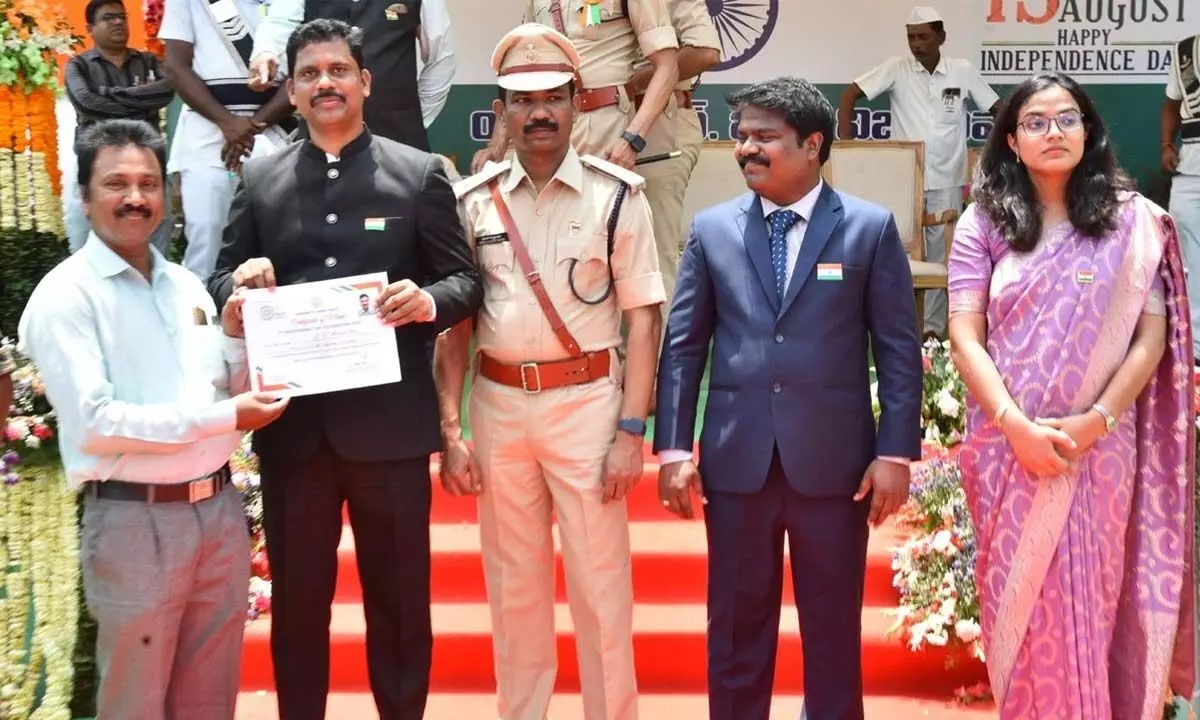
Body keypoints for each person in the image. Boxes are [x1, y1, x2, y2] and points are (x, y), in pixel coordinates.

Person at [208, 19, 482, 720]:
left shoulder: (416, 172)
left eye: (337, 70)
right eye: (309, 74)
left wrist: (425, 300)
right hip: (294, 432)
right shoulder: (261, 176)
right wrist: (238, 291)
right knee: (299, 608)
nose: (324, 83)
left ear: (366, 81)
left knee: (399, 604)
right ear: (291, 91)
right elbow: (219, 277)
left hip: (389, 430)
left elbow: (465, 281)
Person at [653, 76, 923, 720]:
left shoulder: (868, 229)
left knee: (832, 635)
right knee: (737, 633)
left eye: (764, 137)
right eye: (741, 136)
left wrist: (896, 453)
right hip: (737, 463)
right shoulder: (712, 230)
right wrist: (671, 446)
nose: (747, 148)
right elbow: (684, 346)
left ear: (812, 144)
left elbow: (897, 349)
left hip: (835, 470)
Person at [17, 118, 289, 719]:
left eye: (148, 183)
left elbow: (225, 389)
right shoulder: (67, 297)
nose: (136, 198)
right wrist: (223, 413)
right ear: (84, 197)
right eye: (116, 183)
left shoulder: (188, 287)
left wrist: (241, 343)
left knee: (209, 695)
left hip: (216, 516)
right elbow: (96, 422)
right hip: (134, 521)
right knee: (135, 700)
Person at [947, 72, 1196, 718]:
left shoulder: (1134, 223)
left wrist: (1098, 419)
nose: (1052, 132)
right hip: (1010, 453)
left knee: (1093, 598)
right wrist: (1015, 426)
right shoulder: (984, 223)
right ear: (1010, 139)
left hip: (1098, 452)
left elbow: (1151, 337)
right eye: (1035, 121)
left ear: (1089, 130)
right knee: (1022, 613)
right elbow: (963, 333)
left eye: (1066, 119)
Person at [436, 23, 664, 720]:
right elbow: (456, 324)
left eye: (553, 98)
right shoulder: (474, 201)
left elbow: (644, 319)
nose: (538, 113)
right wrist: (452, 426)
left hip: (587, 407)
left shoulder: (617, 194)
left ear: (576, 103)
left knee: (601, 589)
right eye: (521, 100)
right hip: (500, 409)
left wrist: (632, 428)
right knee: (515, 590)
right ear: (500, 111)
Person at [839, 5, 1000, 340]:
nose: (916, 43)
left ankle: (933, 334)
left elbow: (998, 108)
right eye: (911, 37)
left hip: (948, 179)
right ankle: (896, 330)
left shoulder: (962, 71)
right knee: (897, 257)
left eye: (924, 36)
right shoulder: (897, 69)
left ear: (940, 37)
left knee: (944, 261)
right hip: (904, 182)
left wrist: (1009, 148)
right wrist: (846, 146)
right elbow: (850, 95)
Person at [159, 0, 294, 280]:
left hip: (276, 131)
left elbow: (302, 70)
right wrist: (227, 122)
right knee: (206, 239)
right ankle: (206, 320)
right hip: (207, 133)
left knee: (277, 241)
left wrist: (251, 128)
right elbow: (175, 67)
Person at [471, 0, 680, 172]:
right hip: (545, 128)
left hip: (604, 131)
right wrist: (496, 145)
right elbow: (523, 71)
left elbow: (668, 67)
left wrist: (632, 140)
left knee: (602, 217)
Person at [246, 0, 456, 150]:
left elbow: (441, 60)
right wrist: (265, 51)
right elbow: (279, 21)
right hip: (321, 142)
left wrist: (413, 119)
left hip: (398, 138)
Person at [64, 0, 176, 255]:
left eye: (122, 17)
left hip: (147, 166)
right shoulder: (78, 65)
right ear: (90, 28)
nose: (118, 22)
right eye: (108, 18)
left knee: (155, 241)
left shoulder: (148, 61)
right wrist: (139, 104)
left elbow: (167, 90)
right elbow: (86, 102)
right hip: (94, 166)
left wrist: (109, 94)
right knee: (84, 245)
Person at [631, 0, 719, 323]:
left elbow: (705, 51)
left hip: (658, 127)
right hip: (593, 127)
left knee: (651, 262)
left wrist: (634, 84)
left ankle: (658, 371)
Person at [1163, 32, 1200, 363]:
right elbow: (1172, 104)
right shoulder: (1186, 50)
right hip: (1192, 165)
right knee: (1187, 255)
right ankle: (1197, 347)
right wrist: (1166, 144)